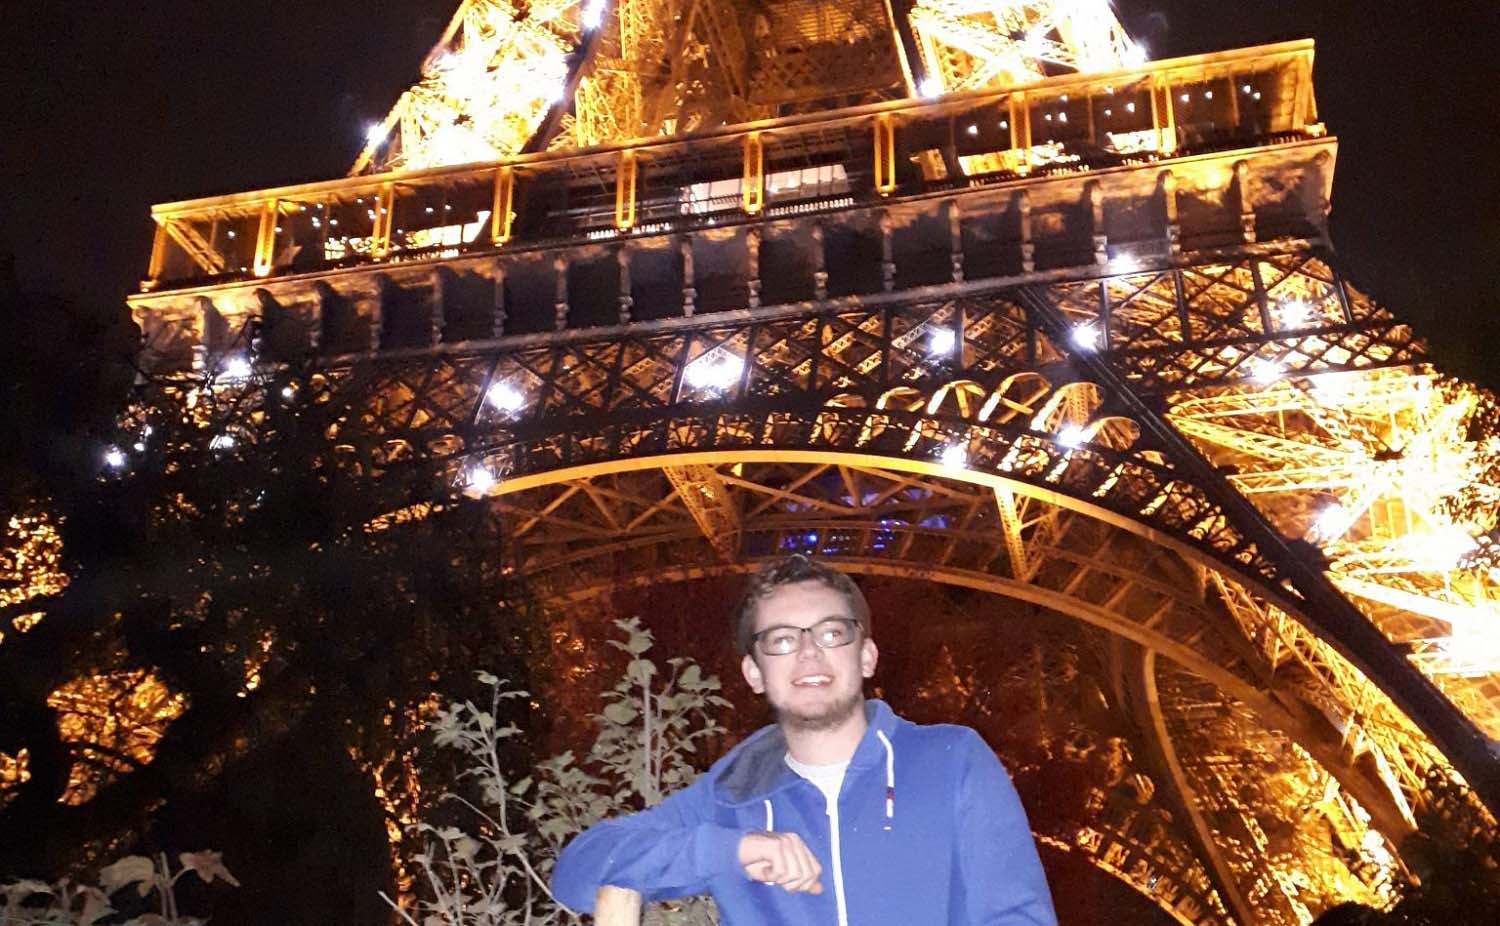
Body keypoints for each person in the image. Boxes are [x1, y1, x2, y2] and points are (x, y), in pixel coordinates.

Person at [552, 554, 1057, 926]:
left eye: (832, 633)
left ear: (867, 657)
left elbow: (1016, 917)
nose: (810, 654)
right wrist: (733, 850)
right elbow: (578, 871)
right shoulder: (732, 794)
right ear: (754, 673)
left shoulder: (952, 760)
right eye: (783, 640)